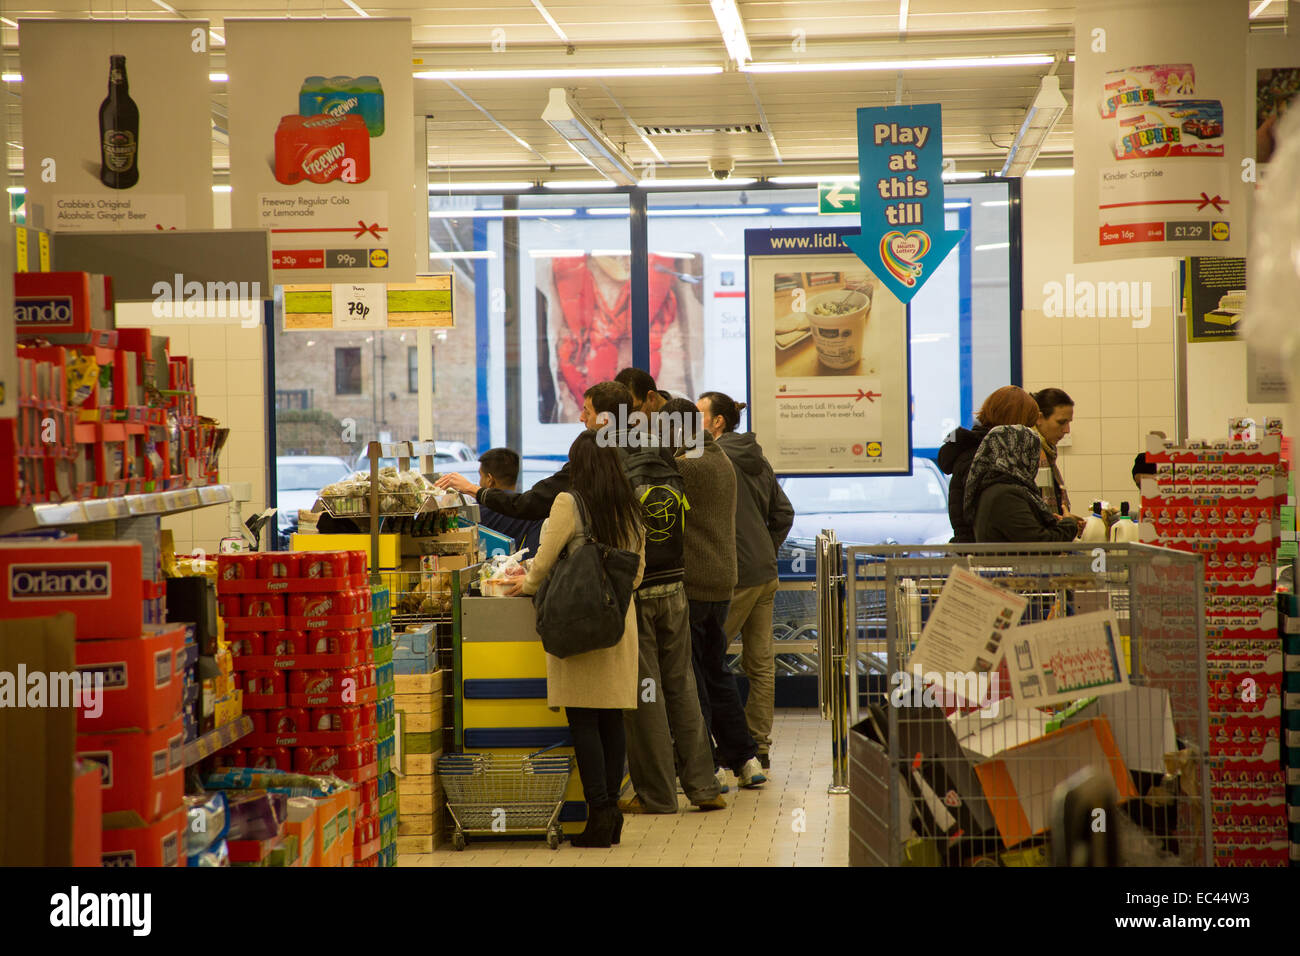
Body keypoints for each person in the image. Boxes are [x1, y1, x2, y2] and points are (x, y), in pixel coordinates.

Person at [514, 430, 646, 848]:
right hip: (617, 624)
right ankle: (610, 816)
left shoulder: (568, 502)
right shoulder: (630, 507)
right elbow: (637, 574)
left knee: (583, 719)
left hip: (577, 623)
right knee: (611, 717)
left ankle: (599, 814)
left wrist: (525, 584)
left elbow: (543, 561)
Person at [660, 398, 765, 789]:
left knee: (693, 678)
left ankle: (708, 767)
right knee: (716, 671)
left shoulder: (689, 466)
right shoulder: (719, 457)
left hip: (696, 584)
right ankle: (745, 759)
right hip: (722, 581)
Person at [698, 390, 794, 770]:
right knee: (761, 663)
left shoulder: (714, 460)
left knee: (709, 659)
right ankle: (760, 742)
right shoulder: (757, 458)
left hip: (735, 574)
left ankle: (721, 746)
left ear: (717, 422)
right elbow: (783, 512)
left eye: (698, 414)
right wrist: (765, 550)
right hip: (764, 573)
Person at [937, 386, 1042, 543]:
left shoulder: (969, 451)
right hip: (983, 552)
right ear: (1016, 424)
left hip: (968, 547)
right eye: (1028, 425)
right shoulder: (991, 458)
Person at [966, 425, 1083, 543]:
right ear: (1020, 455)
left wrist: (1054, 524)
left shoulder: (998, 489)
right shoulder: (1006, 496)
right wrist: (1069, 524)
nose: (1036, 462)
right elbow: (1040, 543)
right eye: (1033, 454)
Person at [474, 448, 543, 557]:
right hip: (518, 571)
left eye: (481, 476)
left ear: (489, 480)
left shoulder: (475, 514)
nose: (479, 481)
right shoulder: (532, 511)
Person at [1032, 387, 1075, 517]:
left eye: (1068, 423)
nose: (1067, 430)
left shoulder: (1048, 452)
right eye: (1061, 422)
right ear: (1039, 418)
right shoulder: (1031, 454)